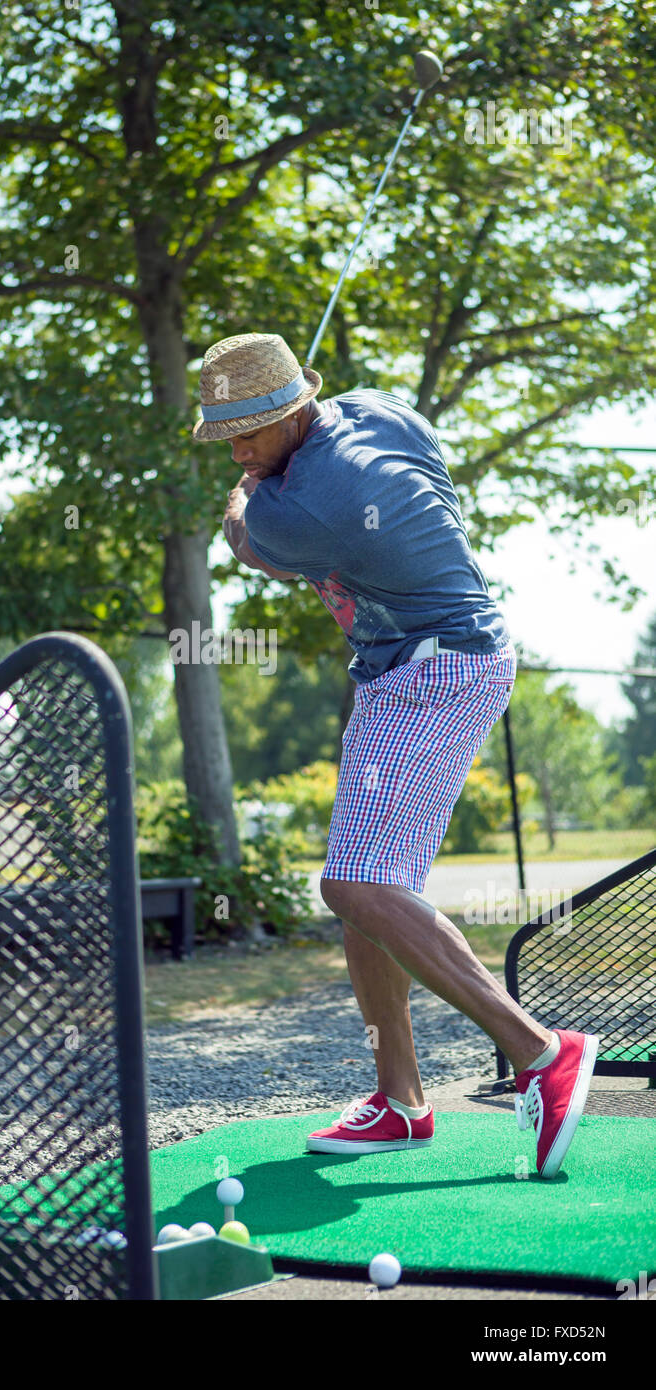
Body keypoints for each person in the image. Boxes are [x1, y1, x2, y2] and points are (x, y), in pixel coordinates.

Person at [193, 331, 598, 1179]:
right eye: (226, 436)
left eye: (248, 433)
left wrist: (250, 487)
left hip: (437, 672)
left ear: (294, 408)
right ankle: (402, 1100)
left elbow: (241, 534)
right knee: (364, 883)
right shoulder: (377, 408)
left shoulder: (294, 508)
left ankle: (539, 1050)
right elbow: (389, 455)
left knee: (354, 883)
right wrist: (275, 450)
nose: (237, 451)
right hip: (412, 665)